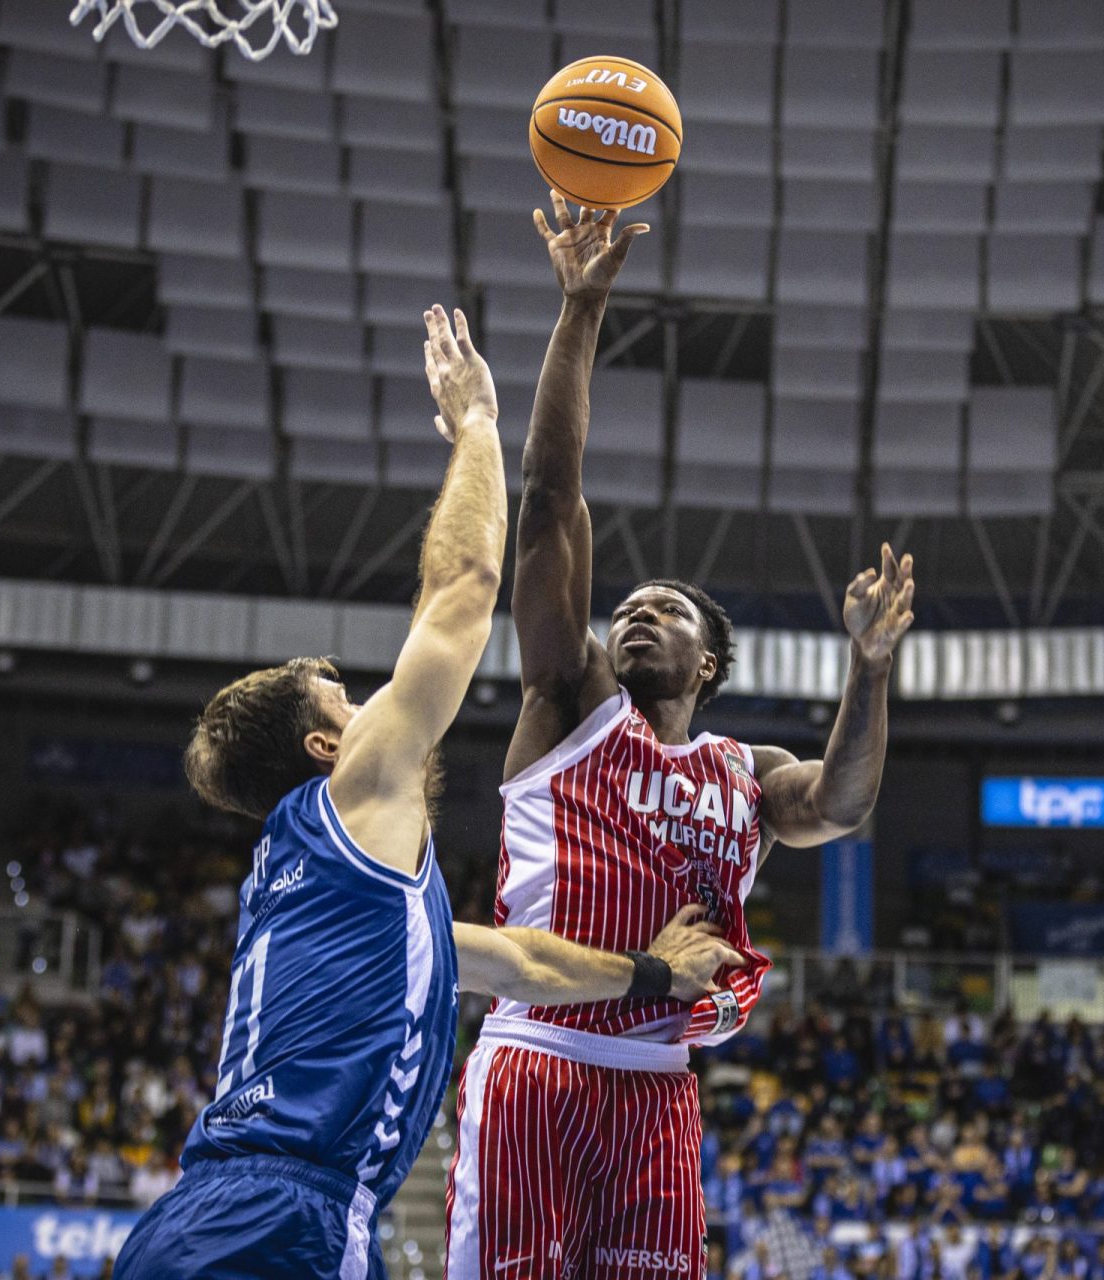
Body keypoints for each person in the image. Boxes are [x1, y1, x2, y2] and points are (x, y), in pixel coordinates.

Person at [111, 306, 739, 1280]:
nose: (375, 708)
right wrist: (477, 426)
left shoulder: (325, 892)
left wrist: (653, 976)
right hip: (279, 1216)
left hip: (205, 1213)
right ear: (328, 746)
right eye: (349, 702)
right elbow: (462, 585)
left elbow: (511, 957)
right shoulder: (353, 796)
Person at [446, 194, 916, 1278]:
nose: (637, 611)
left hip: (658, 1087)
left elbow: (842, 804)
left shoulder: (743, 772)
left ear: (709, 662)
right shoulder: (571, 706)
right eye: (631, 604)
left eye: (669, 608)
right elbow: (551, 499)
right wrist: (582, 309)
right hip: (543, 1057)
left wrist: (870, 670)